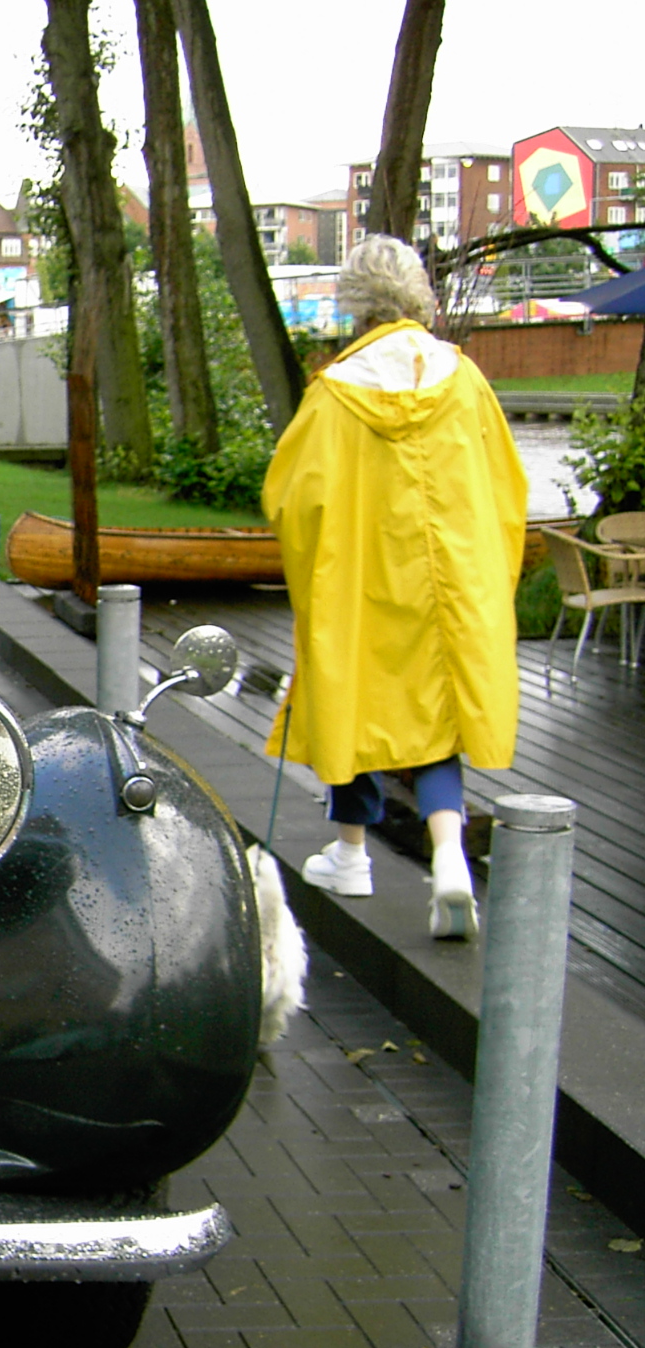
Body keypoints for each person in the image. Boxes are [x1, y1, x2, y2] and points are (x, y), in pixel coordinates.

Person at [263, 235, 527, 939]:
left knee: (351, 700)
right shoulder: (463, 379)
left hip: (361, 582)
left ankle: (351, 855)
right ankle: (449, 855)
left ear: (355, 303)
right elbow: (505, 488)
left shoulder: (333, 394)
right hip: (449, 584)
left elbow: (293, 499)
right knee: (436, 715)